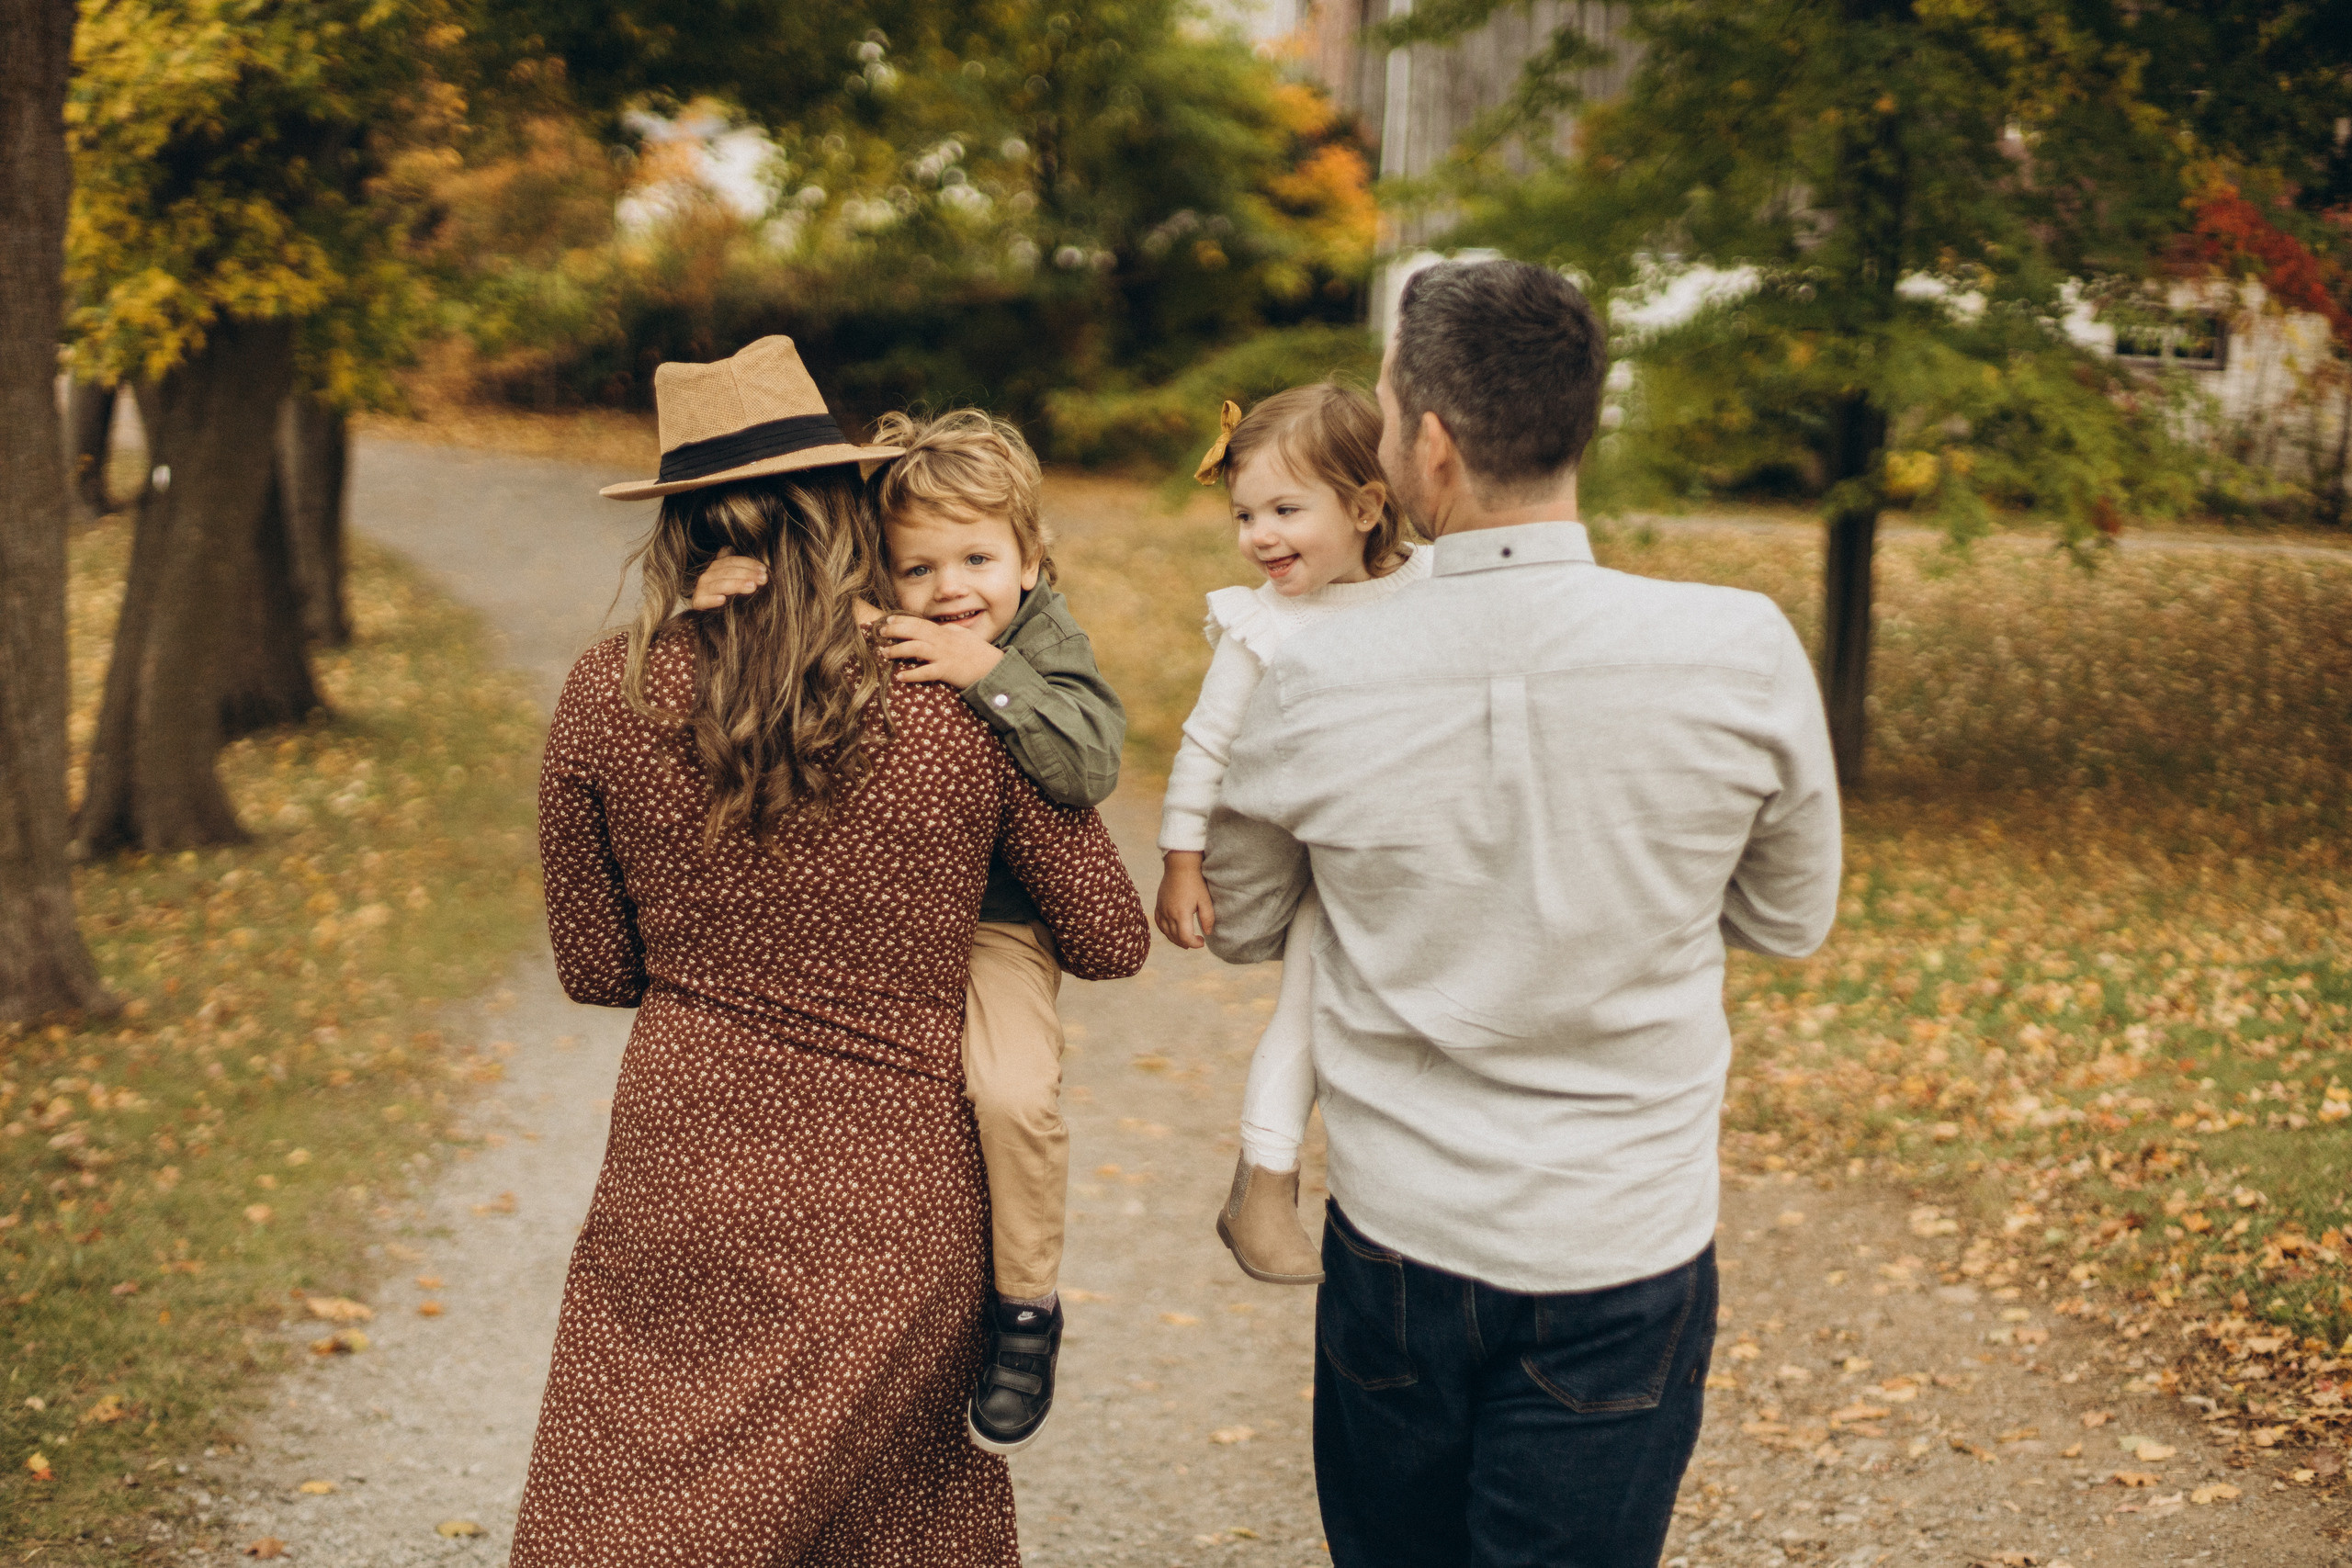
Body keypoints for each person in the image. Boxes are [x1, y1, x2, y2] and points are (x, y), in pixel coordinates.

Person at [1201, 259, 1843, 1566]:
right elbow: (1788, 918)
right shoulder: (1743, 646)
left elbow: (1249, 917)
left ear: (1430, 447)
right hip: (1625, 1238)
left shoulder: (1309, 665)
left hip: (1399, 1239)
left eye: (1385, 411)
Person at [511, 335, 1149, 1566]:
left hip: (680, 1167)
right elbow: (1112, 935)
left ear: (680, 532)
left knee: (636, 1504)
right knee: (893, 1530)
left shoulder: (608, 691)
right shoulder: (954, 699)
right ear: (849, 509)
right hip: (898, 1194)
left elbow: (595, 965)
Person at [689, 408, 1124, 1454]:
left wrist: (986, 676)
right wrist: (719, 605)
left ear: (1030, 557)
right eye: (917, 569)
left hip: (991, 929)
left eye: (978, 557)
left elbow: (1088, 767)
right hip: (867, 916)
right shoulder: (875, 619)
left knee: (1011, 1092)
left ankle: (1025, 1310)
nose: (950, 590)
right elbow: (779, 669)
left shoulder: (1039, 640)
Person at [1151, 384, 1429, 1286]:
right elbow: (1206, 746)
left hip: (1423, 853)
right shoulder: (1262, 623)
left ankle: (1409, 1177)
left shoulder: (1436, 587)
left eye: (1283, 510)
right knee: (1305, 1009)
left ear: (1363, 506)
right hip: (1327, 861)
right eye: (1243, 514)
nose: (1258, 535)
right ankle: (1262, 1184)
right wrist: (1182, 861)